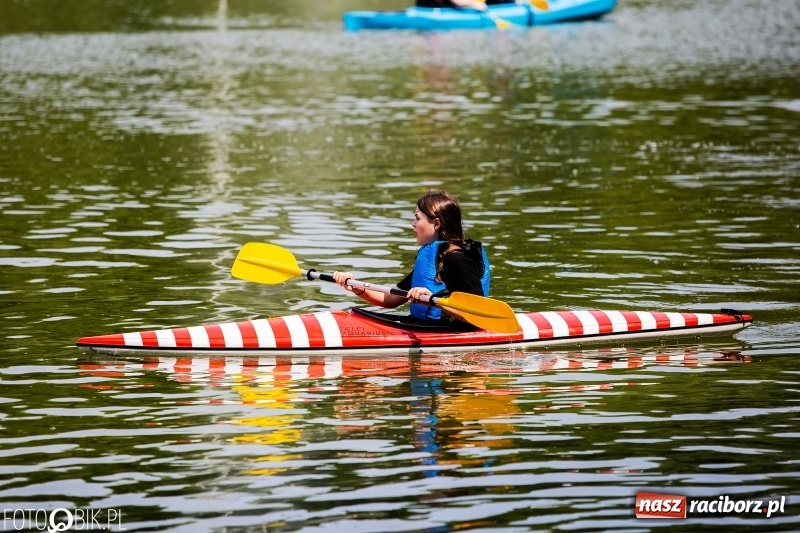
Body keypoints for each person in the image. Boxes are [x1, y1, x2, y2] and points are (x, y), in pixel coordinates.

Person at [332, 190, 490, 323]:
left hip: (453, 332)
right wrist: (357, 287)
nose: (413, 224)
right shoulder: (434, 258)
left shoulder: (457, 259)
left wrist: (433, 300)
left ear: (436, 224)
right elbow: (391, 299)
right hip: (424, 327)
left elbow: (476, 312)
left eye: (417, 218)